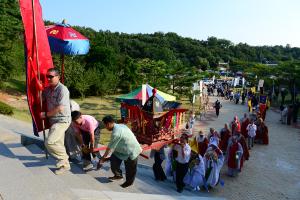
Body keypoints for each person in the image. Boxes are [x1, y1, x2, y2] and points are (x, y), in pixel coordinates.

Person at [40, 68, 71, 175]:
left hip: (62, 120)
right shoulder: (47, 89)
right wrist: (39, 88)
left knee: (50, 142)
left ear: (58, 77)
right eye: (47, 77)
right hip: (53, 120)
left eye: (51, 77)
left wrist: (46, 114)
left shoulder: (63, 89)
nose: (48, 79)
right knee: (58, 143)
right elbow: (41, 99)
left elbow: (60, 108)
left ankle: (64, 157)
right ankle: (65, 166)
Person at [98, 115, 142, 188]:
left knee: (130, 169)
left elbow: (109, 148)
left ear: (108, 124)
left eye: (105, 126)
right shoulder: (120, 125)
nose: (106, 128)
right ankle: (118, 175)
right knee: (114, 161)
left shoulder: (116, 133)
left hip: (131, 150)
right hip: (121, 149)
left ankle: (128, 183)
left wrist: (103, 158)